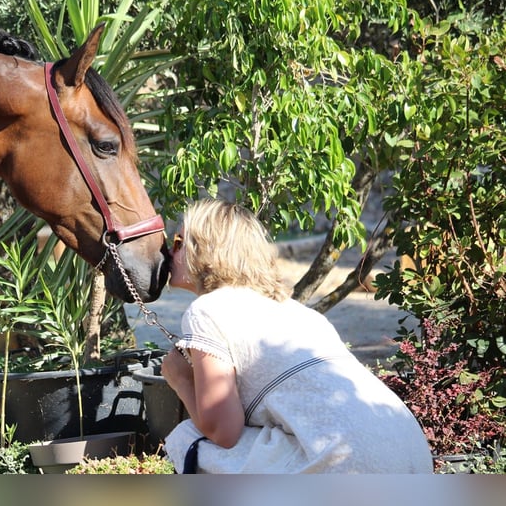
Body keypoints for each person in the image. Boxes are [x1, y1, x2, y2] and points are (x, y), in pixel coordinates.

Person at [160, 198, 432, 473]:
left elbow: (223, 431)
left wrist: (181, 379)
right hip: (414, 456)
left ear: (205, 250)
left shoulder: (207, 310)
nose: (170, 252)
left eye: (179, 241)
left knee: (192, 438)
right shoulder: (298, 312)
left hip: (356, 469)